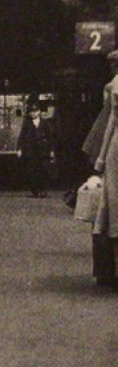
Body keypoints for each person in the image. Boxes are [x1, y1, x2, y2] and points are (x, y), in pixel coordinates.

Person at [84, 50, 118, 286]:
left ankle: (108, 271)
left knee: (110, 210)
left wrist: (101, 159)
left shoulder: (113, 86)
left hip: (116, 149)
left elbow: (109, 124)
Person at [16, 100, 55, 197]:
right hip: (30, 150)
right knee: (32, 170)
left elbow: (50, 137)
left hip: (43, 150)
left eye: (35, 111)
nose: (33, 113)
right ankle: (35, 190)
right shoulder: (27, 123)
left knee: (44, 170)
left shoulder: (45, 123)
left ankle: (43, 189)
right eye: (31, 112)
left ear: (39, 111)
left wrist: (51, 150)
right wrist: (19, 148)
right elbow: (22, 135)